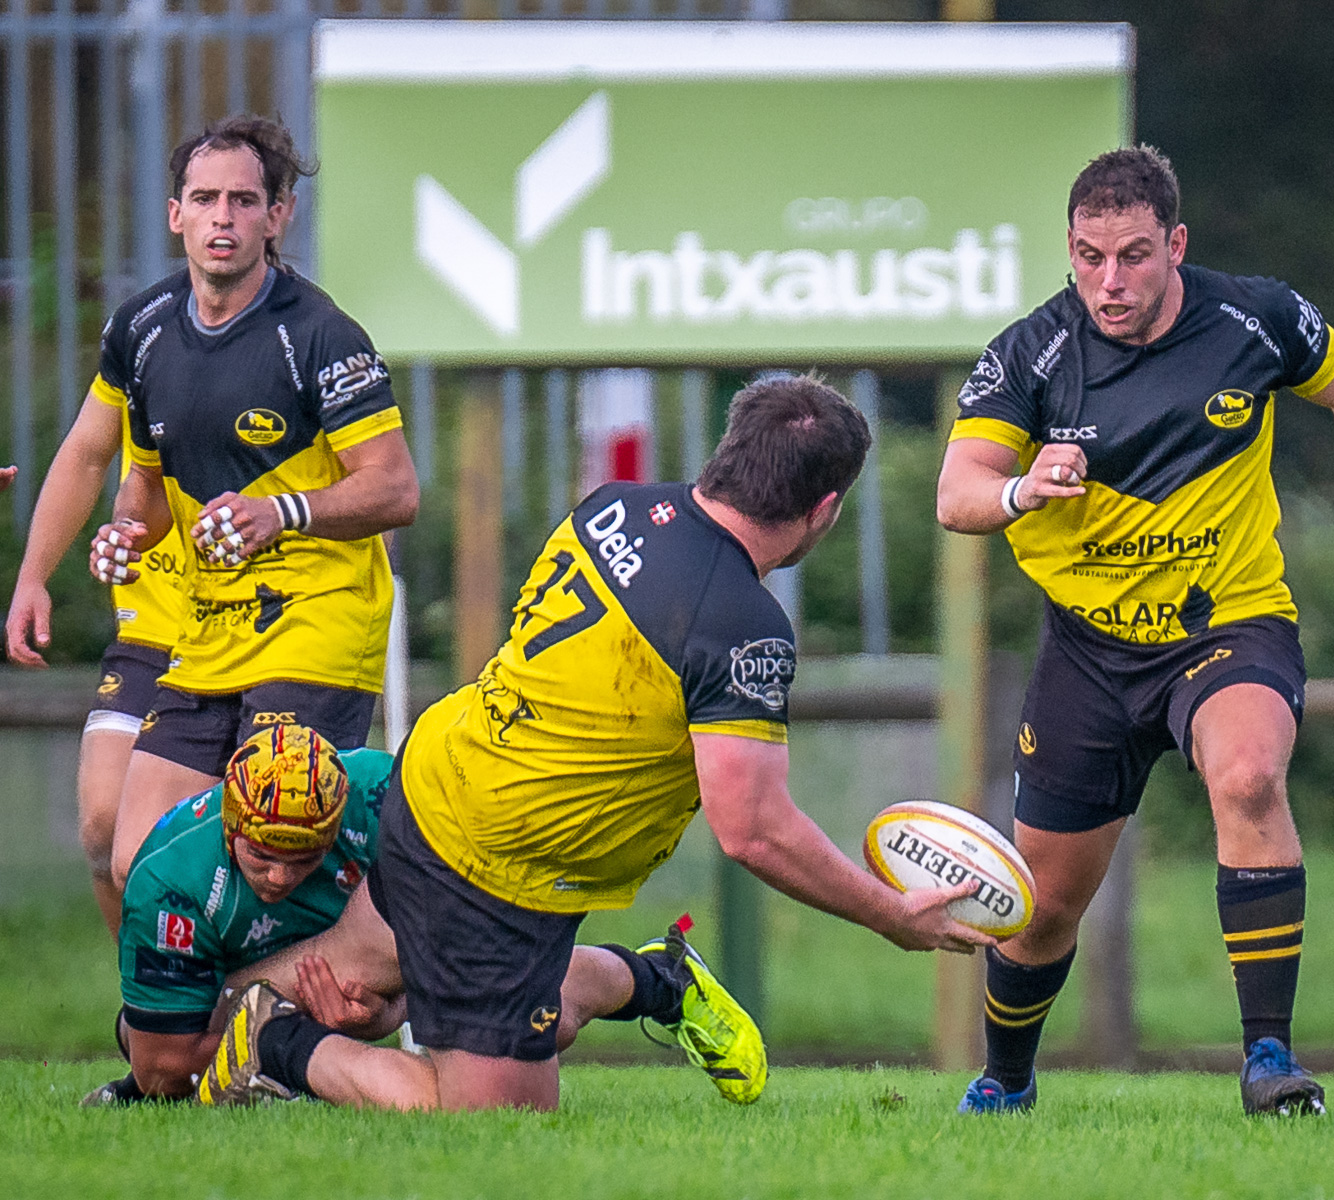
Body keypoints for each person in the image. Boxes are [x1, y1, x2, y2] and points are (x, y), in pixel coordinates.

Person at [197, 374, 993, 1113]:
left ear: (727, 455)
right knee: (478, 1115)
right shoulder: (740, 625)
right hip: (494, 869)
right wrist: (891, 914)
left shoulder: (614, 503)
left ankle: (167, 1048)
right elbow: (752, 829)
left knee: (353, 984)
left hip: (444, 774)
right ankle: (273, 1043)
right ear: (825, 508)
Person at [936, 146, 1334, 1117]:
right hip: (1088, 652)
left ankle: (1268, 1062)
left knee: (1250, 774)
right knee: (1042, 904)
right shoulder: (1032, 354)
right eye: (1089, 256)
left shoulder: (1252, 319)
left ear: (1176, 244)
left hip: (1228, 624)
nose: (1109, 282)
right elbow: (957, 492)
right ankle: (1006, 1083)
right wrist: (1021, 486)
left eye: (1133, 256)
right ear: (1069, 247)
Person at [85, 114, 418, 891]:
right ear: (176, 214)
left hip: (316, 624)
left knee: (277, 856)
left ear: (278, 216)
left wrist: (284, 511)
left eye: (242, 200)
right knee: (144, 866)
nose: (223, 218)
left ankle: (308, 1006)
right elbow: (147, 492)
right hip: (210, 633)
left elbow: (396, 487)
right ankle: (205, 1016)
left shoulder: (320, 335)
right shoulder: (146, 332)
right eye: (205, 199)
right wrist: (127, 536)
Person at [81, 725, 391, 1104]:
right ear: (230, 825)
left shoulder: (381, 798)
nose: (279, 877)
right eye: (261, 855)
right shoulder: (171, 875)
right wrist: (291, 1039)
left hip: (343, 972)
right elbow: (162, 1068)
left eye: (305, 859)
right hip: (212, 996)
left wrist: (394, 1012)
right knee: (159, 1060)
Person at [7, 353, 193, 937]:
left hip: (264, 635)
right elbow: (87, 453)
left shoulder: (305, 342)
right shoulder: (148, 337)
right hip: (152, 630)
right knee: (104, 827)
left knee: (257, 840)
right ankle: (148, 1009)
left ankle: (237, 1006)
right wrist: (32, 577)